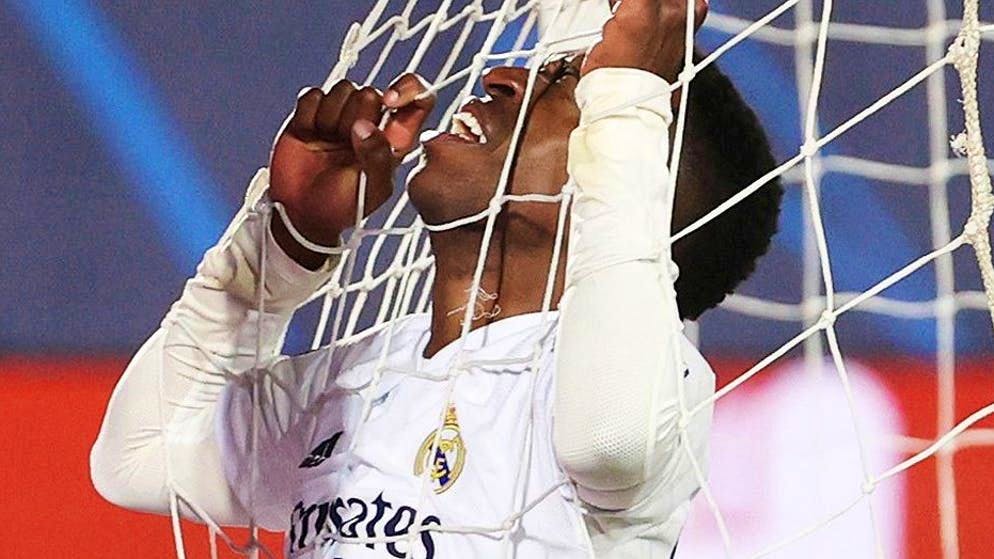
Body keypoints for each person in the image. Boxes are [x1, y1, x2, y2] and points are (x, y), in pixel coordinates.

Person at [91, 0, 782, 557]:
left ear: (620, 179)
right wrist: (280, 252)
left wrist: (629, 94)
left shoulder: (660, 387)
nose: (503, 77)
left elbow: (607, 440)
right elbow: (139, 456)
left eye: (567, 87)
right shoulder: (370, 374)